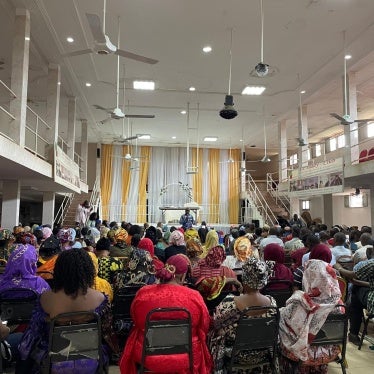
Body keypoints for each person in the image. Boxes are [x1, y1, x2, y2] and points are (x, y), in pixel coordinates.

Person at [17, 249, 118, 373]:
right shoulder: (99, 298)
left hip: (52, 363)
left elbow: (33, 335)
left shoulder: (45, 299)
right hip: (91, 360)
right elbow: (108, 335)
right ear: (88, 271)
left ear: (59, 270)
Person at [120, 254, 213, 374]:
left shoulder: (144, 293)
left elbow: (136, 320)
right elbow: (204, 324)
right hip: (186, 356)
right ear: (183, 275)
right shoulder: (194, 296)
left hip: (147, 355)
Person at [208, 257, 276, 374]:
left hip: (235, 356)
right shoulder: (272, 303)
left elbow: (215, 324)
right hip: (263, 354)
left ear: (244, 278)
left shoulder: (230, 303)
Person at [279, 259, 342, 374]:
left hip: (301, 354)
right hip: (328, 351)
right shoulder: (339, 304)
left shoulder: (300, 302)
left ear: (308, 278)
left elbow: (285, 327)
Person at [333, 246, 374, 345]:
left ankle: (353, 333)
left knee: (355, 294)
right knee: (357, 287)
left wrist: (339, 268)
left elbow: (351, 274)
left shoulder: (371, 263)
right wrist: (357, 282)